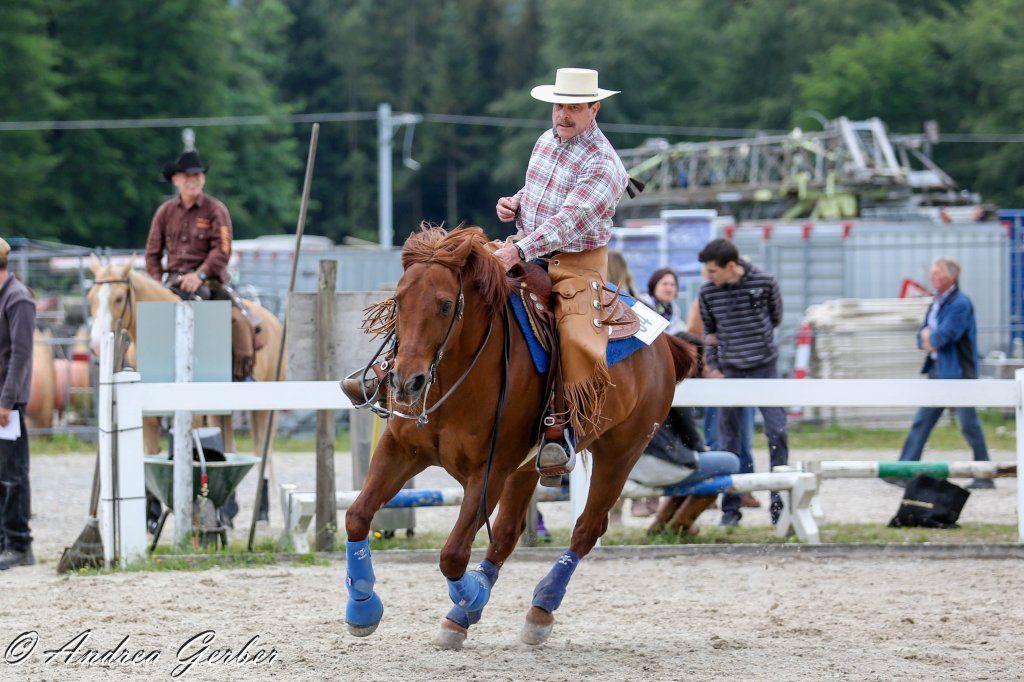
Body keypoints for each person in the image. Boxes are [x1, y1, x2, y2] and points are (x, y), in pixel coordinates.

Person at [492, 67, 629, 479]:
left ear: (594, 108)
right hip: (527, 247)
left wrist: (518, 247)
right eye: (558, 104)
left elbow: (570, 219)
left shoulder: (605, 164)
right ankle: (393, 373)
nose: (563, 114)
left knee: (574, 334)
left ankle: (562, 427)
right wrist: (515, 203)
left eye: (573, 106)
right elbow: (542, 192)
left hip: (575, 264)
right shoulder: (545, 142)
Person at [144, 149, 257, 383]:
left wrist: (200, 274)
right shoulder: (165, 213)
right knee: (145, 319)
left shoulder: (216, 210)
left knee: (238, 321)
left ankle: (243, 373)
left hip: (210, 283)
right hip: (172, 283)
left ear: (203, 179)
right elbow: (152, 254)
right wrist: (156, 283)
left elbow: (222, 250)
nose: (193, 180)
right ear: (176, 180)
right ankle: (144, 373)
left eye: (197, 175)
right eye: (187, 175)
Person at [698, 238, 787, 526]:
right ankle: (730, 509)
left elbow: (775, 317)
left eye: (713, 271)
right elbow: (709, 334)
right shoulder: (708, 292)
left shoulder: (765, 282)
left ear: (731, 266)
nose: (708, 276)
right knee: (729, 442)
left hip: (765, 367)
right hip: (730, 371)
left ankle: (779, 505)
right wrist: (713, 366)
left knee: (777, 433)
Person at [897, 257, 992, 489]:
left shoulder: (960, 304)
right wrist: (929, 339)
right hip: (938, 372)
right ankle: (904, 470)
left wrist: (931, 338)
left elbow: (943, 336)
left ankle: (985, 474)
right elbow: (922, 336)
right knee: (922, 422)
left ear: (951, 276)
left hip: (959, 374)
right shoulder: (937, 303)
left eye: (938, 273)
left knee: (969, 425)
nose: (933, 277)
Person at [688, 290, 759, 510]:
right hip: (717, 381)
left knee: (744, 438)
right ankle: (710, 490)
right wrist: (708, 368)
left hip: (742, 379)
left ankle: (744, 486)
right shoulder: (705, 300)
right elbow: (694, 335)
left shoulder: (747, 305)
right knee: (716, 438)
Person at [0, 238, 36, 569]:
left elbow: (20, 355)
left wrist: (6, 401)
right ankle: (4, 542)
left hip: (6, 404)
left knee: (12, 474)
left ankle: (19, 544)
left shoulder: (17, 299)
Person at [643, 268, 684, 335]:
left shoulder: (675, 310)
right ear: (654, 286)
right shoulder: (643, 305)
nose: (669, 288)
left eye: (672, 285)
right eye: (665, 284)